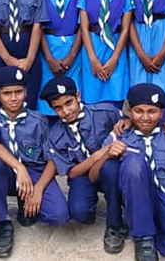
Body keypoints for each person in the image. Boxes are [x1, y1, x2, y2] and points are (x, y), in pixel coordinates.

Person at [103, 84, 165, 261]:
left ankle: (156, 229)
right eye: (138, 111)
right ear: (130, 111)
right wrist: (106, 154)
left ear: (162, 113)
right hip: (134, 196)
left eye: (152, 111)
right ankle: (143, 237)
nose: (145, 118)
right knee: (133, 164)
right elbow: (94, 176)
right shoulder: (120, 135)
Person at [0, 66, 69, 257]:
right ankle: (3, 220)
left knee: (59, 215)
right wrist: (18, 167)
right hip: (8, 172)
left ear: (26, 92)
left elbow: (52, 158)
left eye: (18, 92)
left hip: (34, 172)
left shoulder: (38, 120)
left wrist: (38, 189)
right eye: (7, 93)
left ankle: (26, 202)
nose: (13, 98)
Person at [40, 77, 126, 255]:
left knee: (111, 169)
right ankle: (91, 198)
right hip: (82, 175)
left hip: (109, 170)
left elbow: (126, 122)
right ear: (51, 108)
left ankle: (114, 225)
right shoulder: (55, 135)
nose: (66, 111)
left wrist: (128, 122)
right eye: (58, 108)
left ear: (78, 96)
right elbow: (71, 172)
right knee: (80, 212)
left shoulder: (104, 112)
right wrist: (96, 156)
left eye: (69, 103)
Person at [79, 0, 134, 108]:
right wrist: (92, 59)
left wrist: (114, 58)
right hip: (93, 46)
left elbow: (126, 28)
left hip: (115, 47)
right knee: (92, 97)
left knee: (115, 96)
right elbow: (84, 28)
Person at [38, 0, 83, 119]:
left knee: (72, 93)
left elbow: (82, 27)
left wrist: (71, 56)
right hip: (48, 50)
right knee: (49, 94)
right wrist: (50, 59)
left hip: (73, 50)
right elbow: (38, 29)